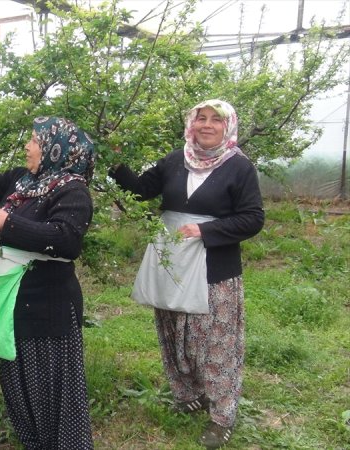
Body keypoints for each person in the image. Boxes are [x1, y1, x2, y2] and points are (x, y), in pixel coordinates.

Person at [108, 99, 264, 448]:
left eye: (215, 120)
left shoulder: (239, 168)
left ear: (228, 127)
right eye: (200, 118)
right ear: (191, 124)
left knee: (213, 341)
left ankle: (222, 415)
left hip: (213, 267)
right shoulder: (175, 161)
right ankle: (187, 393)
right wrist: (115, 160)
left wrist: (205, 231)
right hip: (172, 259)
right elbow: (140, 191)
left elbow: (253, 218)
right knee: (173, 329)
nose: (206, 125)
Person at [0, 117, 96, 449]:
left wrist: (7, 224)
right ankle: (35, 442)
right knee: (19, 380)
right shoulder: (23, 181)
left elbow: (67, 240)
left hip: (47, 306)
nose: (27, 146)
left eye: (34, 141)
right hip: (13, 302)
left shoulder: (72, 190)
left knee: (52, 388)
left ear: (57, 148)